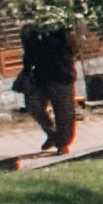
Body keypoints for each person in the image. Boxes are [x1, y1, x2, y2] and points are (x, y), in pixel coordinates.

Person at [18, 11, 81, 153]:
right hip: (40, 74)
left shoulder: (61, 26)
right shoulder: (29, 31)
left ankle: (63, 143)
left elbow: (73, 47)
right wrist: (27, 70)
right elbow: (28, 53)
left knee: (63, 111)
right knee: (33, 104)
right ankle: (52, 134)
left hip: (61, 73)